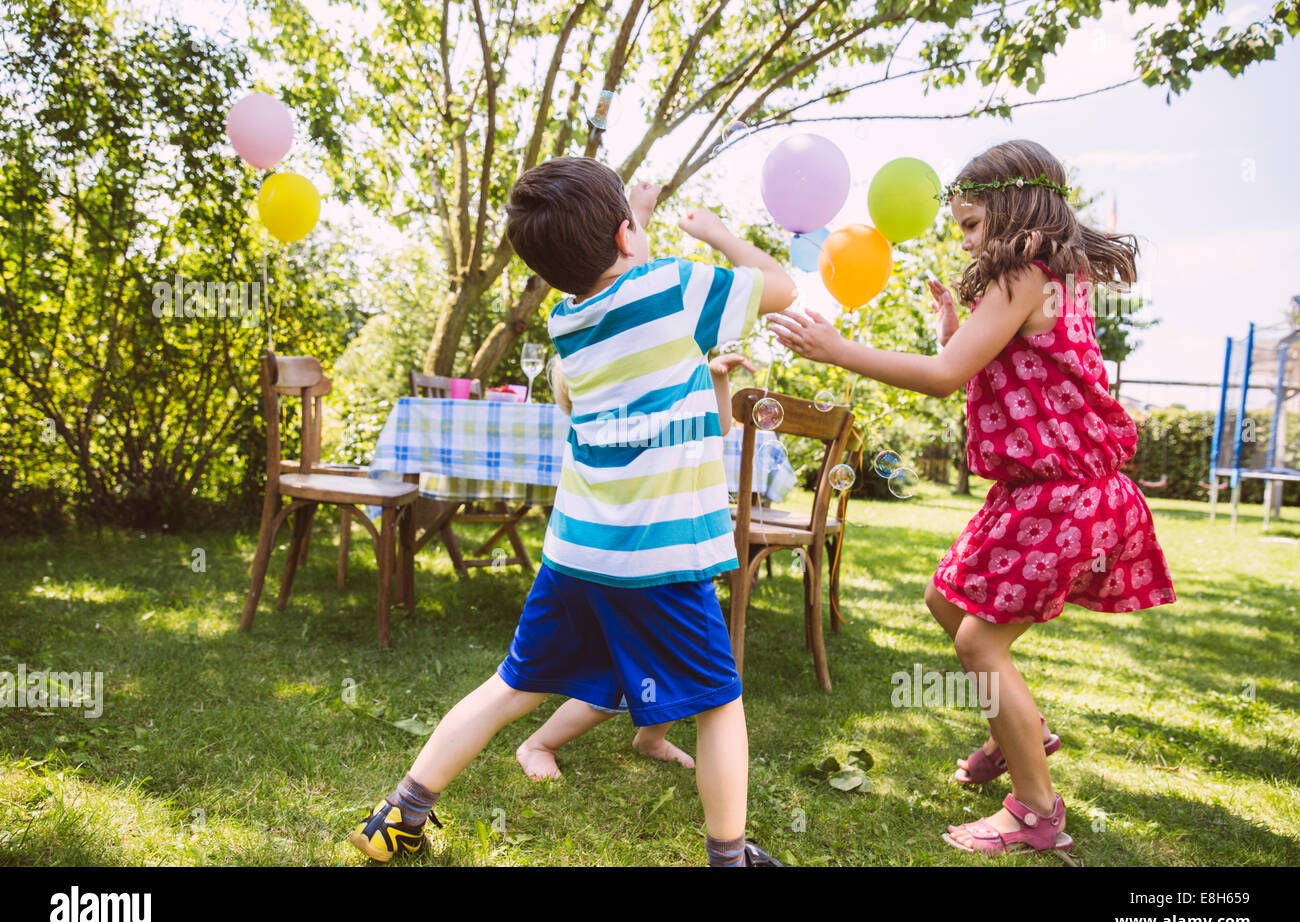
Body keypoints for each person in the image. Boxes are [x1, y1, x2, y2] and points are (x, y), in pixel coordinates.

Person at [350, 156, 797, 866]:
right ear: (626, 237)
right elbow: (782, 285)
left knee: (511, 685)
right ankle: (729, 856)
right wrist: (714, 231)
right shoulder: (673, 288)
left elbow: (617, 282)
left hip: (577, 554)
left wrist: (636, 223)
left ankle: (398, 815)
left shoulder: (568, 323)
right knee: (719, 702)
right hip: (660, 559)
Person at [769, 140, 1175, 856]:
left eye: (968, 223)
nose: (963, 238)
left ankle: (1035, 812)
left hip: (1064, 495)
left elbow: (942, 378)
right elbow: (1011, 369)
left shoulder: (1022, 271)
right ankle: (1018, 732)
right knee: (944, 599)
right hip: (1042, 491)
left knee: (977, 640)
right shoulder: (1056, 275)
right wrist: (956, 335)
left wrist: (839, 349)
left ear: (1014, 210)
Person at [515, 348, 755, 781]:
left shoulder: (661, 418)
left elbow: (716, 426)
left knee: (673, 666)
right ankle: (539, 743)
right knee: (614, 684)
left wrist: (715, 378)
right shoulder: (619, 432)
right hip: (621, 575)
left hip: (665, 570)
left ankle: (651, 738)